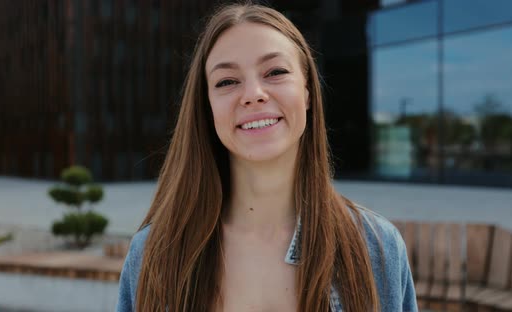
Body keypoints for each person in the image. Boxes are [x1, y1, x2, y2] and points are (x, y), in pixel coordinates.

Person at [116, 3, 417, 312]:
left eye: (275, 72)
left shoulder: (376, 248)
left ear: (308, 92)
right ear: (207, 108)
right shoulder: (154, 255)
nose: (253, 93)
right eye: (227, 81)